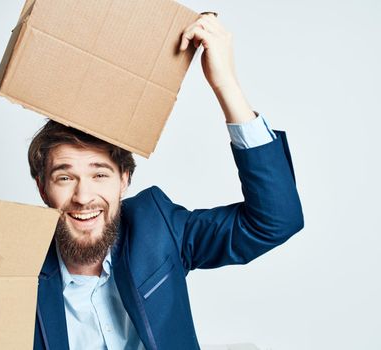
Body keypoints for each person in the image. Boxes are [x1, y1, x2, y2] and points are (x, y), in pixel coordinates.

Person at [28, 13, 303, 350]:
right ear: (43, 187)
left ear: (124, 180)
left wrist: (225, 85)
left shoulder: (157, 229)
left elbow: (274, 222)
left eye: (100, 174)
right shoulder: (17, 273)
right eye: (65, 177)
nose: (84, 196)